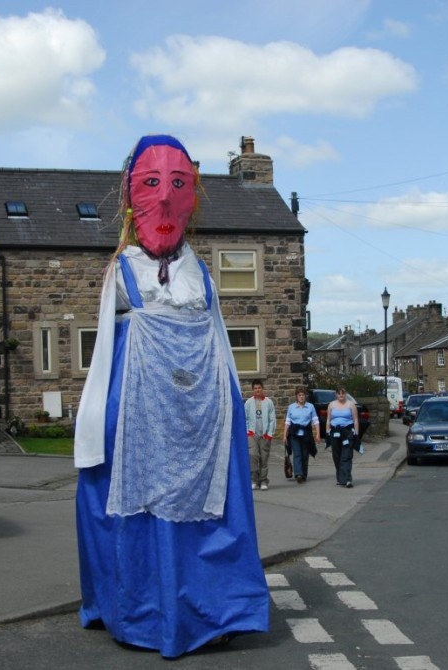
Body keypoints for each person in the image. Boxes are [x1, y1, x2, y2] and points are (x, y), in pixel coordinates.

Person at [72, 134, 269, 657]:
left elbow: (219, 341)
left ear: (192, 196)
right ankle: (148, 613)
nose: (164, 197)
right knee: (141, 511)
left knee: (210, 514)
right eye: (152, 183)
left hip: (202, 415)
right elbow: (104, 354)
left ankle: (218, 610)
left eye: (178, 183)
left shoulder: (200, 273)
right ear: (131, 195)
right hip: (139, 417)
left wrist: (233, 410)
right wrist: (95, 425)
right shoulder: (122, 271)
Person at [284, 386, 320, 483]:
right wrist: (284, 435)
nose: (301, 397)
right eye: (299, 395)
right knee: (297, 454)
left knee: (305, 455)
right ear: (296, 396)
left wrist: (318, 433)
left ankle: (304, 474)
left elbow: (315, 420)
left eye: (303, 395)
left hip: (306, 434)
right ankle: (298, 474)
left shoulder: (310, 407)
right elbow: (287, 421)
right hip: (294, 434)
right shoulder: (291, 407)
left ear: (305, 396)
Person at [244, 379, 276, 491]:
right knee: (253, 455)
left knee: (264, 458)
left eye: (259, 388)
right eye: (255, 388)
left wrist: (270, 433)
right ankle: (254, 480)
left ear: (262, 388)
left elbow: (272, 419)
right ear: (253, 390)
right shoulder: (248, 403)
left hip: (265, 435)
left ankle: (263, 481)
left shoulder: (268, 402)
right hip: (252, 434)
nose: (257, 390)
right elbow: (245, 418)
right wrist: (248, 430)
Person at [325, 387, 360, 488]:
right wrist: (328, 432)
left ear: (346, 394)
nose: (341, 395)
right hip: (335, 432)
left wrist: (356, 434)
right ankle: (340, 478)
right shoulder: (331, 405)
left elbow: (355, 420)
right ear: (336, 394)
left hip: (347, 432)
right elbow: (328, 419)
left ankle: (347, 479)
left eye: (343, 393)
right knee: (337, 456)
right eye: (339, 393)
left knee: (346, 456)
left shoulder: (351, 405)